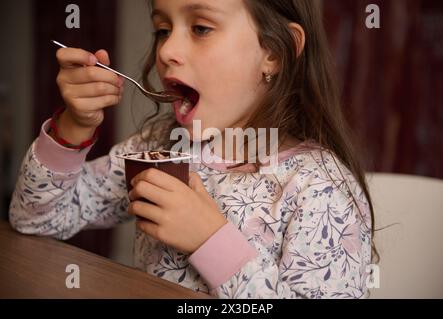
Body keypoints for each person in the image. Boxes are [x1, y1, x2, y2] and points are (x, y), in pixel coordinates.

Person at [9, 0, 375, 298]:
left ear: (274, 53)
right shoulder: (157, 149)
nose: (167, 50)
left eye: (201, 28)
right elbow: (36, 220)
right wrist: (75, 127)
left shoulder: (320, 190)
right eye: (163, 30)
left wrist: (210, 241)